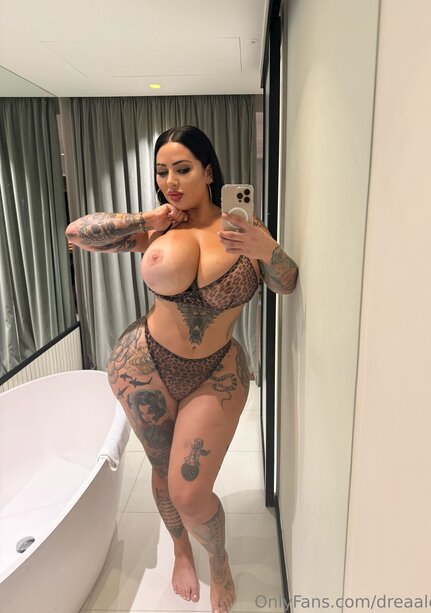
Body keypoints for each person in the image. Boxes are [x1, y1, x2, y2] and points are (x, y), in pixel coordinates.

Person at [65, 125, 298, 613]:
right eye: (161, 171)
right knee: (160, 469)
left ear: (209, 172)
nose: (170, 181)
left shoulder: (244, 229)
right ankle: (180, 551)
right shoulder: (159, 227)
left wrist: (266, 249)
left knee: (189, 492)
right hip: (144, 363)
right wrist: (147, 217)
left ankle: (218, 558)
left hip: (216, 372)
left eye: (183, 169)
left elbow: (287, 282)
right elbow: (77, 234)